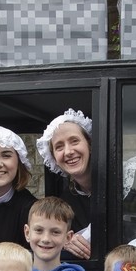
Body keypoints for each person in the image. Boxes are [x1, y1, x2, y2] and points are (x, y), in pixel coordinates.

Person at [36, 110, 93, 259]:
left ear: (89, 144)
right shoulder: (66, 201)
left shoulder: (126, 183)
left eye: (74, 141)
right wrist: (66, 242)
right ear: (54, 158)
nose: (68, 152)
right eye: (59, 147)